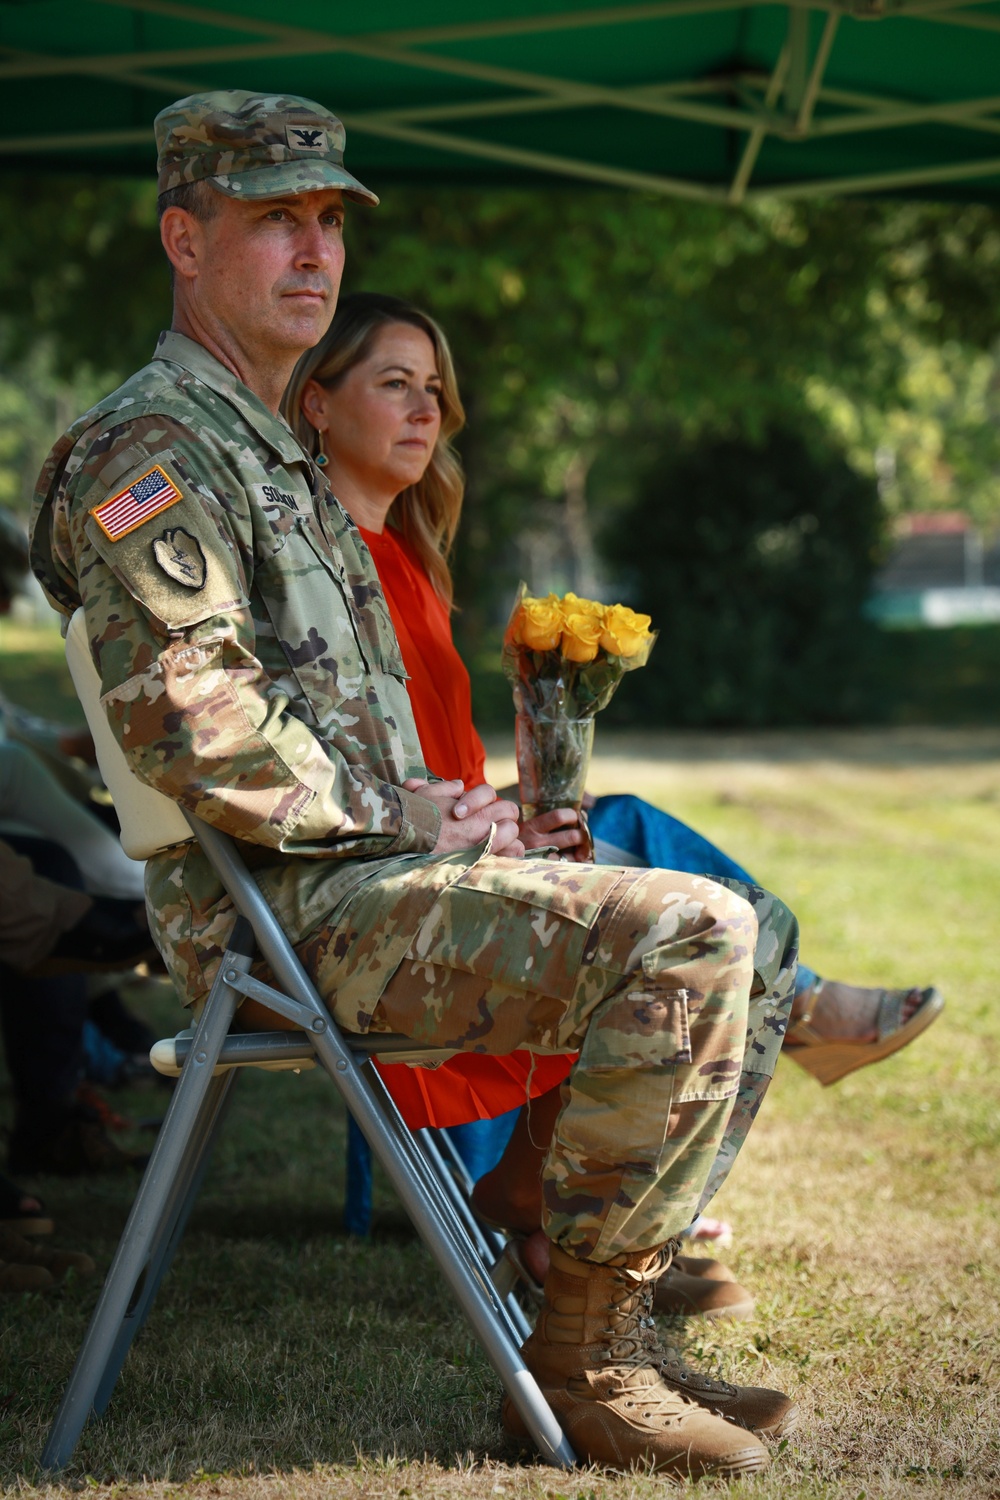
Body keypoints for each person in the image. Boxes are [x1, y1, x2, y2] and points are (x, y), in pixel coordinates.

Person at [30, 90, 802, 1478]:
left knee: (743, 928)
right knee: (694, 932)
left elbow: (341, 732)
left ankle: (589, 1340)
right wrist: (409, 813)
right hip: (275, 920)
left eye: (327, 220)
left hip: (360, 879)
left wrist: (481, 813)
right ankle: (584, 1366)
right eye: (277, 221)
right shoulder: (153, 452)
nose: (316, 252)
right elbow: (197, 726)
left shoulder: (277, 457)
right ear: (184, 240)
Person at [281, 290, 945, 1305]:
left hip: (450, 862)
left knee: (612, 828)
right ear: (317, 404)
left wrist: (512, 806)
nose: (426, 411)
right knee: (701, 912)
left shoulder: (412, 562)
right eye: (393, 384)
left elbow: (424, 776)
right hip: (390, 903)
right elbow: (357, 778)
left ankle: (580, 1221)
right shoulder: (322, 570)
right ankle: (614, 1218)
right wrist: (484, 821)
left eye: (435, 391)